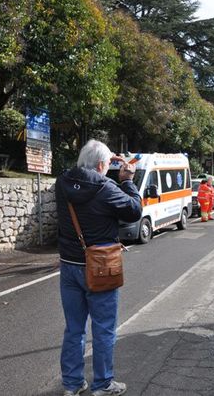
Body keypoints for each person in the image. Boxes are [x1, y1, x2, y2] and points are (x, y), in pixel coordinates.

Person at [55, 140, 142, 396]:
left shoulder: (62, 182)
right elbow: (134, 210)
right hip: (100, 266)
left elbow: (82, 174)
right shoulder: (106, 187)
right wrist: (127, 179)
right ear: (104, 165)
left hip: (69, 265)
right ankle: (102, 384)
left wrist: (102, 162)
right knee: (103, 328)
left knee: (74, 328)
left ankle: (72, 384)